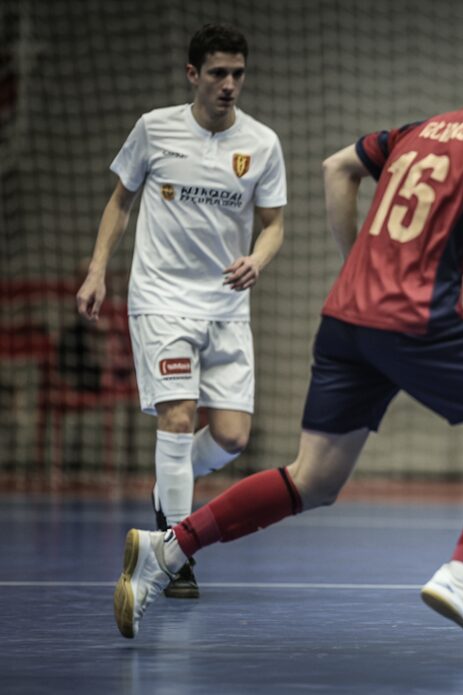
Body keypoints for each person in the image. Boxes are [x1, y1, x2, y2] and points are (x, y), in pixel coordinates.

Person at [112, 28, 463, 660]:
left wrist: (357, 261)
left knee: (313, 479)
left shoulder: (419, 129)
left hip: (349, 317)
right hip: (417, 317)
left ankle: (167, 548)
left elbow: (337, 166)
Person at [78, 23, 286, 599]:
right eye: (217, 73)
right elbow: (121, 200)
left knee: (232, 436)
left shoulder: (262, 144)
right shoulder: (154, 128)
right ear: (193, 74)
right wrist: (97, 270)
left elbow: (274, 225)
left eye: (237, 74)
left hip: (226, 307)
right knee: (176, 419)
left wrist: (258, 261)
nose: (229, 85)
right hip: (162, 301)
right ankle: (174, 550)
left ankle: (168, 491)